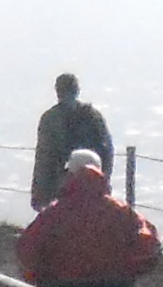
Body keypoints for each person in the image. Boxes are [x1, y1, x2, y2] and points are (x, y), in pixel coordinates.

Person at [16, 147, 160, 287]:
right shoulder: (122, 212)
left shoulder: (54, 213)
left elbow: (28, 251)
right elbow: (149, 248)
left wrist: (43, 284)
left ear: (70, 175)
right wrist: (128, 273)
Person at [29, 74, 114, 209]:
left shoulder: (50, 118)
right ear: (77, 90)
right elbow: (107, 152)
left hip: (60, 188)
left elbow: (43, 159)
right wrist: (105, 181)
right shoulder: (93, 115)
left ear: (57, 91)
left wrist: (38, 195)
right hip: (93, 186)